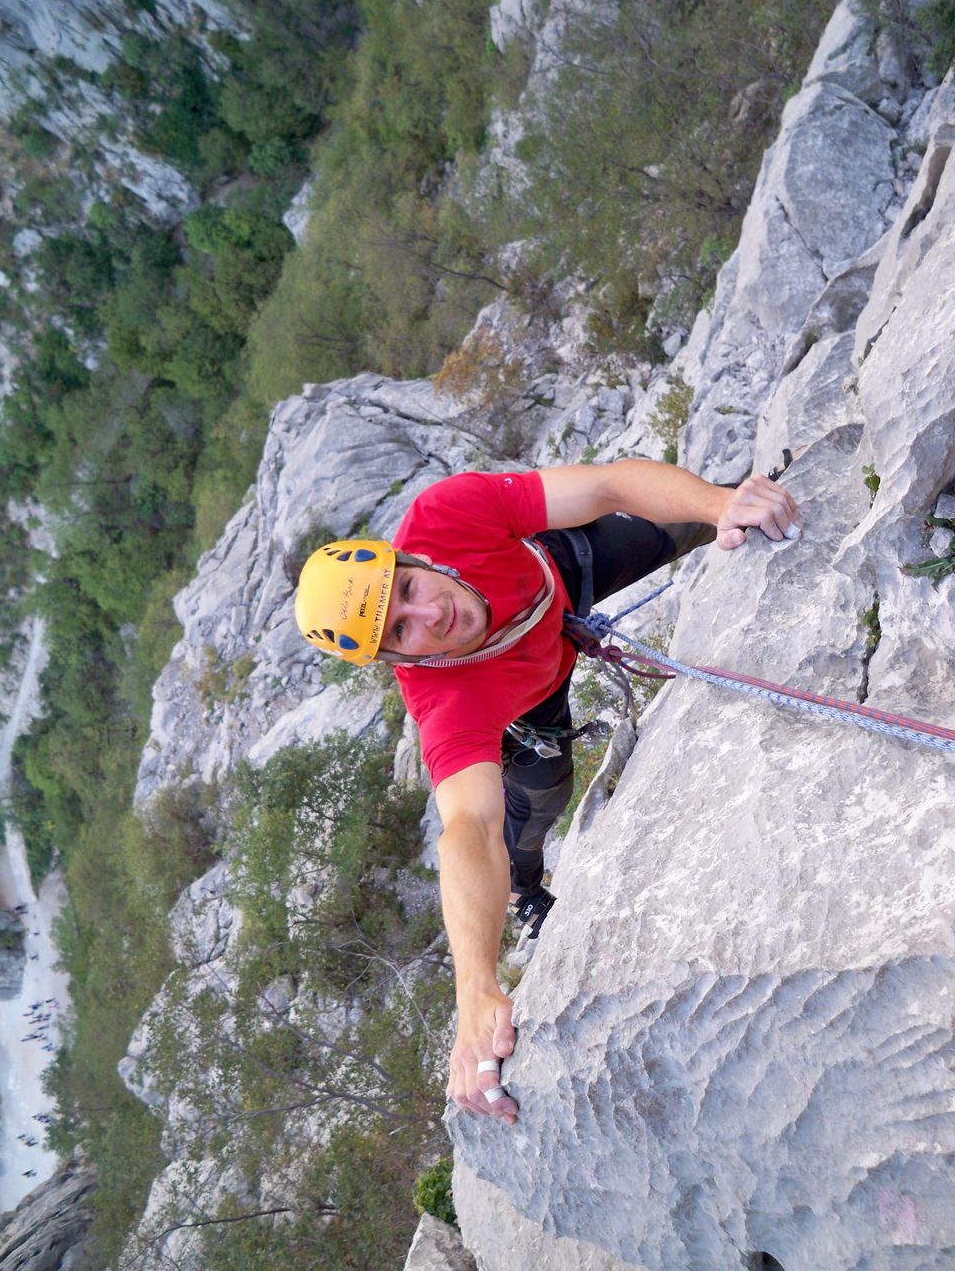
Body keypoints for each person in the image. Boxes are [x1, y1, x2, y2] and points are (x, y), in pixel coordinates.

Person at [294, 458, 801, 1126]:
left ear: (412, 557)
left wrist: (718, 505)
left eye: (408, 587)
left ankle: (746, 487)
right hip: (531, 701)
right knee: (543, 797)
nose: (432, 613)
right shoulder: (446, 704)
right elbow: (470, 826)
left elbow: (609, 485)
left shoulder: (449, 514)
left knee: (695, 518)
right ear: (392, 660)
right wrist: (475, 989)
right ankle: (526, 887)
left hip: (558, 573)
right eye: (399, 630)